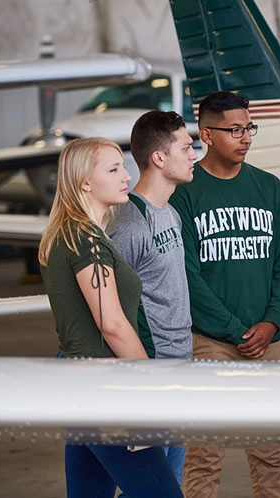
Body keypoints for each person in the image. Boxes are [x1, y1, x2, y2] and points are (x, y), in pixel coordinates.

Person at [169, 91, 280, 498]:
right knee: (205, 454)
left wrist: (272, 322)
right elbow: (186, 276)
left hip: (266, 339)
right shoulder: (185, 193)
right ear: (206, 134)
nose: (245, 138)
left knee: (269, 453)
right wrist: (233, 330)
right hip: (209, 341)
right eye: (235, 130)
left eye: (249, 128)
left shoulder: (270, 187)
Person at [37, 137, 183, 498]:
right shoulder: (87, 241)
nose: (126, 176)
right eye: (114, 169)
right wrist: (151, 386)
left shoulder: (67, 235)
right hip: (104, 387)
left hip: (80, 383)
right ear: (85, 181)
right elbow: (112, 324)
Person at [108, 110, 198, 488]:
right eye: (187, 147)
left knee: (170, 481)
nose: (194, 155)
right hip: (149, 373)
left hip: (178, 371)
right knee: (150, 489)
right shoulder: (129, 223)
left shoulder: (171, 214)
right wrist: (142, 376)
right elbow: (112, 311)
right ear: (159, 159)